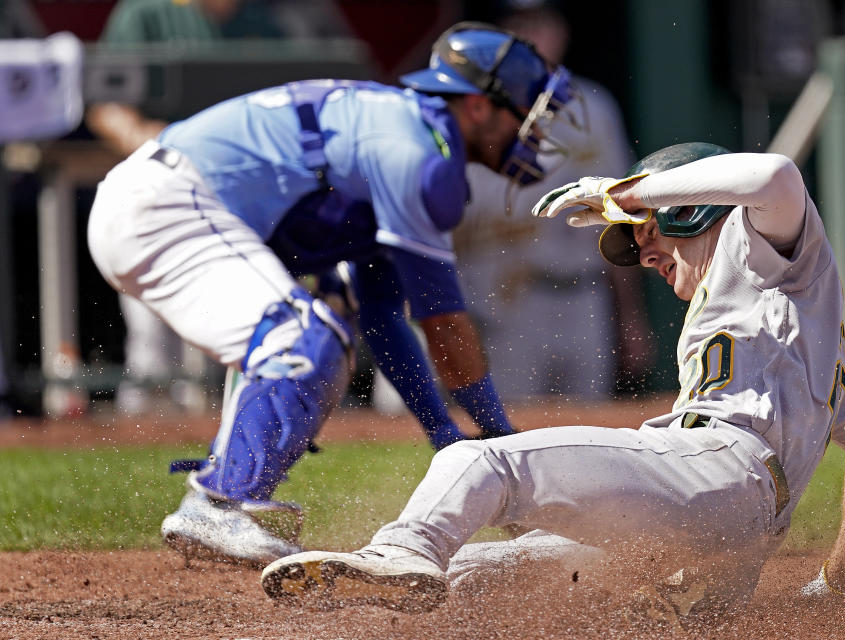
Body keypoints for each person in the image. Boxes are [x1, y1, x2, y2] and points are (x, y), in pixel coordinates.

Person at [259, 143, 845, 623]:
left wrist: (626, 193)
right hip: (727, 546)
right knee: (476, 580)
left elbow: (774, 174)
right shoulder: (827, 356)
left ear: (690, 209)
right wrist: (837, 590)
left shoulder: (758, 252)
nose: (643, 253)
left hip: (715, 475)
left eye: (644, 234)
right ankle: (391, 586)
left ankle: (403, 547)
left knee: (478, 460)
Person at [87, 22, 584, 565]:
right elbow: (444, 322)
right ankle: (219, 502)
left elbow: (382, 316)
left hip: (161, 202)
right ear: (477, 107)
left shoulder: (406, 131)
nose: (534, 133)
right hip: (165, 203)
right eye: (526, 112)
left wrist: (447, 433)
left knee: (324, 327)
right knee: (300, 336)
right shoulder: (415, 153)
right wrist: (500, 441)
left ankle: (226, 493)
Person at [86, 0, 287, 414]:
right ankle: (141, 446)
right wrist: (152, 140)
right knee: (154, 343)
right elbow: (103, 103)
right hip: (160, 195)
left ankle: (233, 441)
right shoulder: (144, 13)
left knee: (243, 330)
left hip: (237, 198)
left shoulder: (261, 22)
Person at [450, 1, 636, 401]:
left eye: (540, 23)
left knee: (590, 430)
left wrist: (631, 317)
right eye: (519, 25)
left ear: (562, 30)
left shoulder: (595, 106)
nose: (533, 37)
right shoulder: (481, 112)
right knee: (513, 429)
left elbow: (619, 215)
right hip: (512, 296)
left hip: (586, 294)